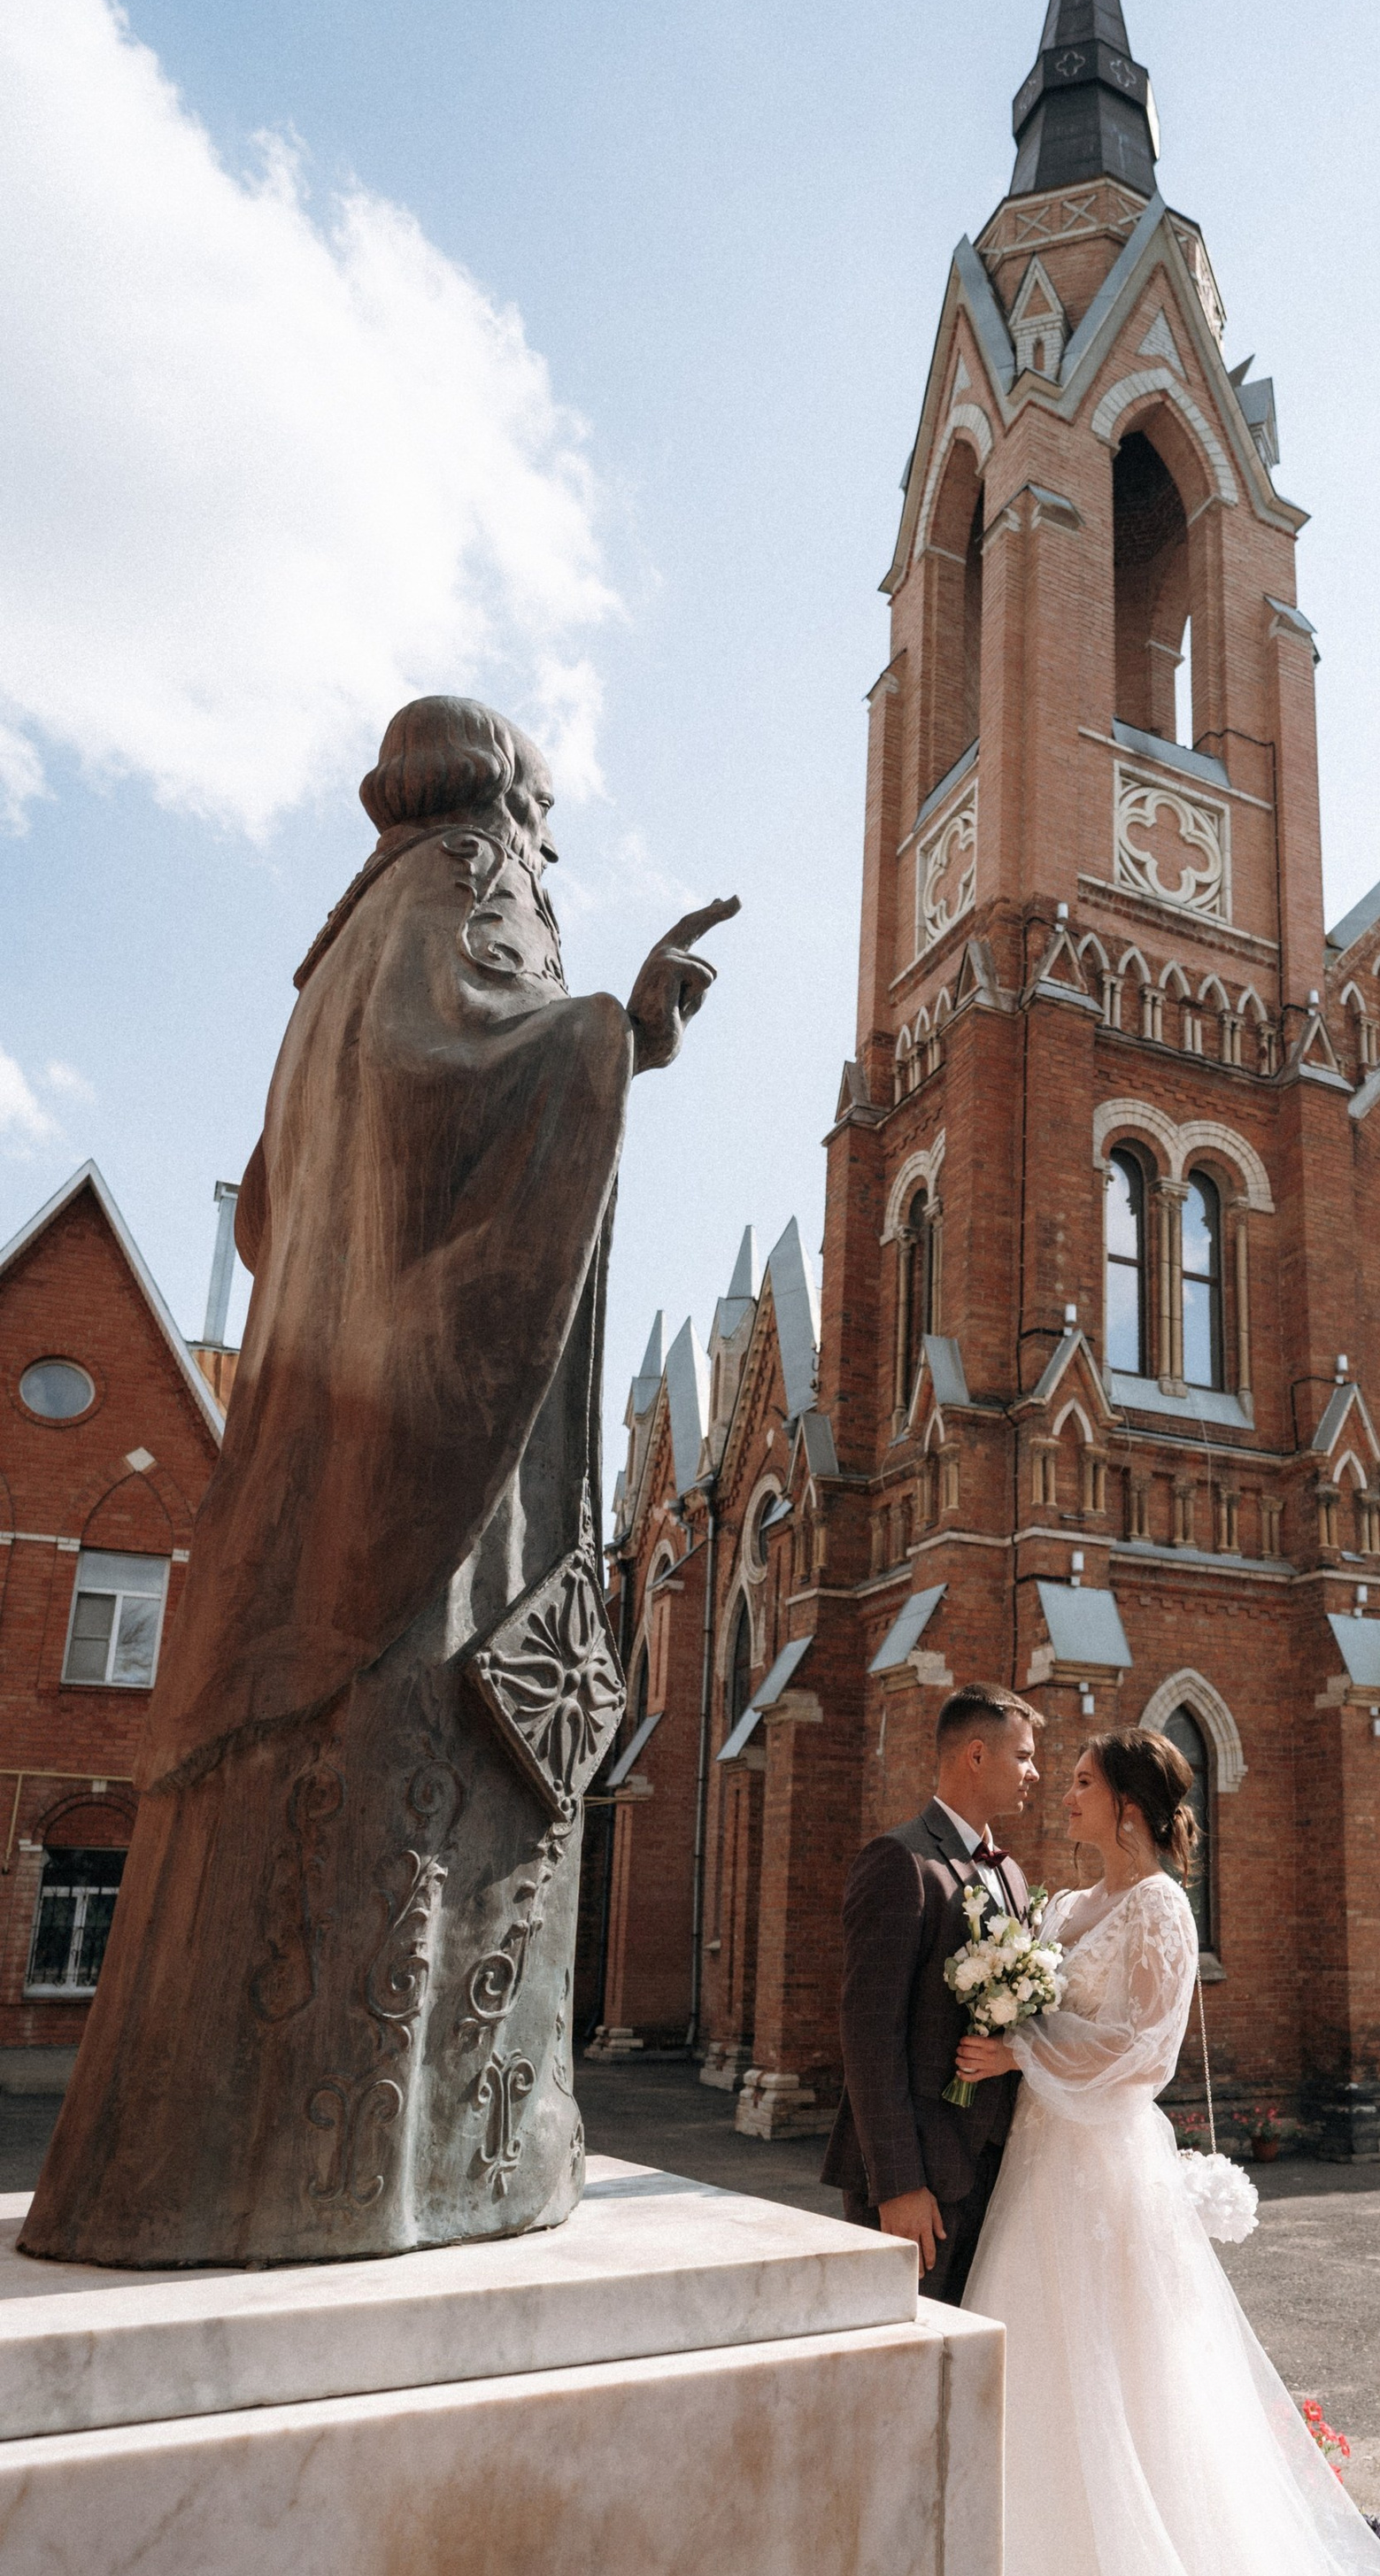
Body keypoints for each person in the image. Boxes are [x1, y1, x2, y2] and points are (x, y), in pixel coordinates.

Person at [24, 697, 731, 2269]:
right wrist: (617, 1034)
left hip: (313, 1474)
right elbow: (468, 1074)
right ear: (505, 796)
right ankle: (395, 2177)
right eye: (545, 806)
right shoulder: (474, 881)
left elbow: (275, 1206)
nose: (552, 841)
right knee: (410, 1790)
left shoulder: (347, 941)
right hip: (422, 1494)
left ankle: (215, 2172)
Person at [953, 1727, 1380, 2576]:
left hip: (1104, 2175)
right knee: (1033, 2392)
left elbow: (1143, 2052)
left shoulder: (1159, 1910)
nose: (1066, 1795)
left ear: (1129, 1807)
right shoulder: (1065, 1906)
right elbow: (1054, 2011)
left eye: (1082, 1783)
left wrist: (1023, 2049)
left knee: (1128, 2396)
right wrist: (1013, 2024)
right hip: (1039, 2175)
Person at [823, 1684, 1043, 2305]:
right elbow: (870, 2036)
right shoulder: (900, 1861)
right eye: (1023, 1756)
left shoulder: (1010, 1872)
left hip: (996, 2173)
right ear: (976, 1755)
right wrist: (898, 2184)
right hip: (919, 2179)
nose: (1034, 1773)